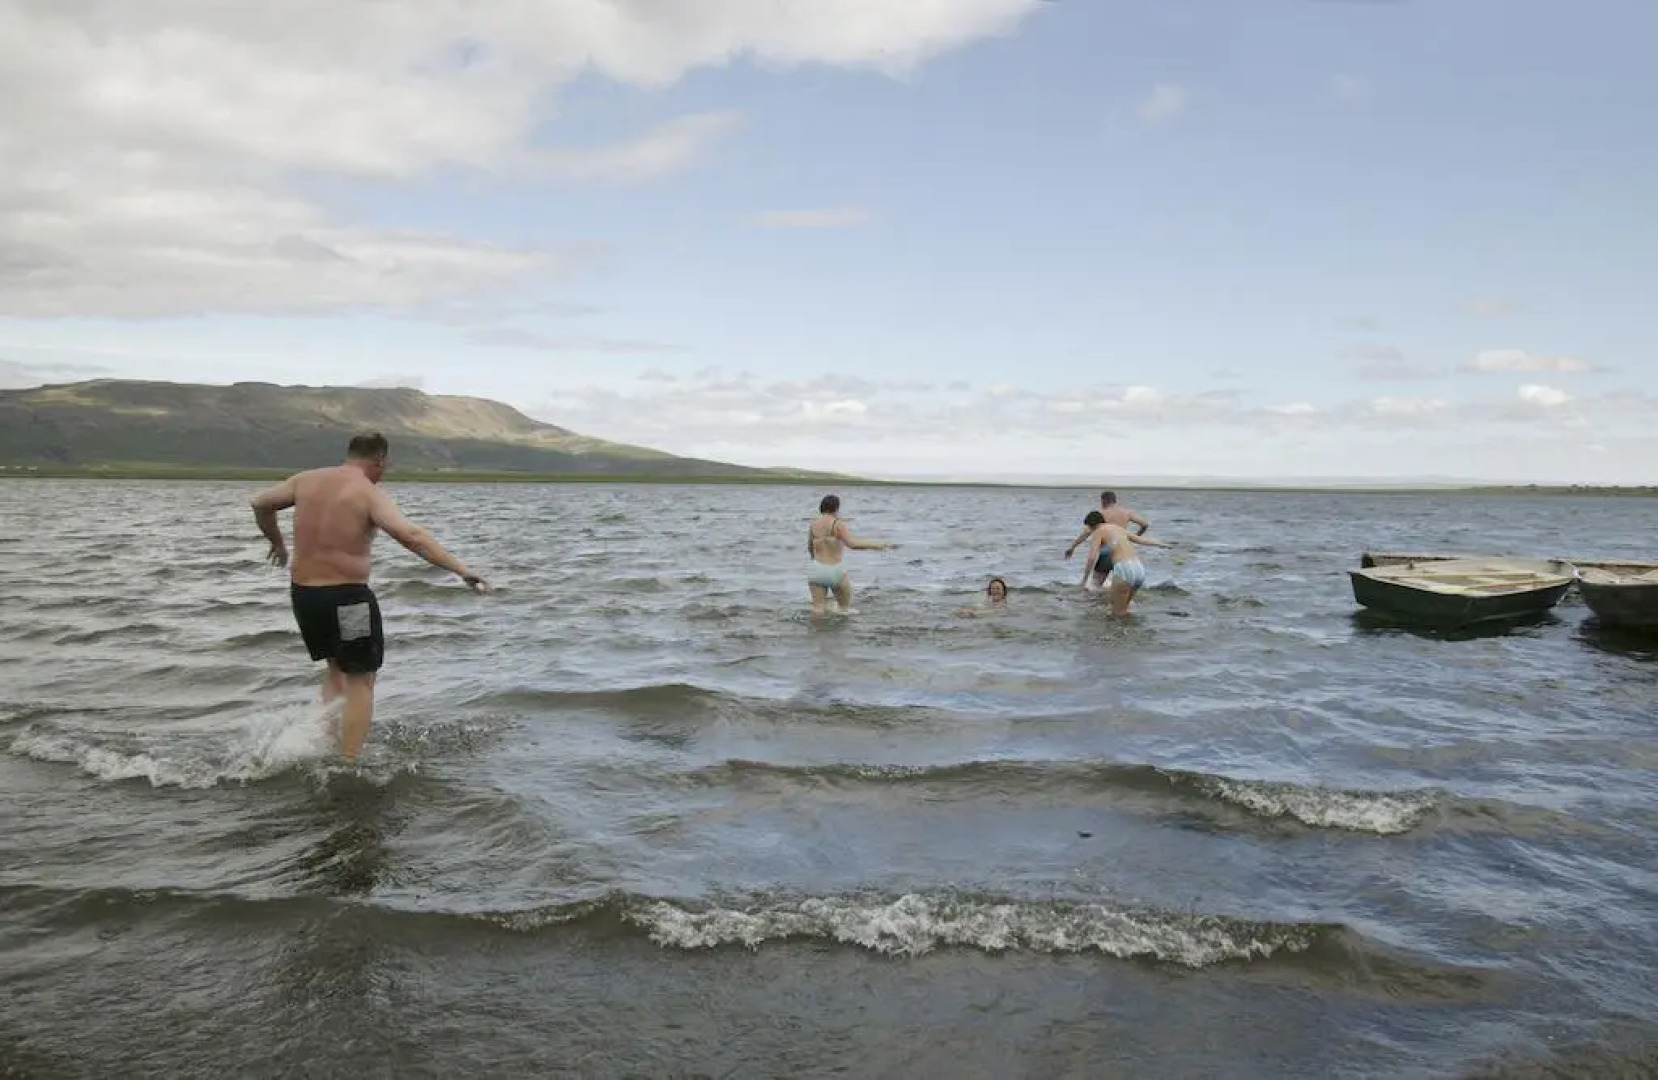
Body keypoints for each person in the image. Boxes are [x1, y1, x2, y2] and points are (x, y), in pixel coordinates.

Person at [248, 432, 488, 764]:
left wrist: (277, 542)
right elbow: (412, 536)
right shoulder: (367, 491)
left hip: (304, 595)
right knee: (361, 679)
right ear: (379, 460)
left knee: (335, 670)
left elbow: (259, 502)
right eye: (384, 466)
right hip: (347, 599)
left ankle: (321, 746)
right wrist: (461, 569)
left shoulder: (305, 481)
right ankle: (348, 763)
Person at [805, 494, 897, 614]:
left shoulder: (814, 525)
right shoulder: (837, 524)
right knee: (844, 610)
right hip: (835, 570)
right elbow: (852, 544)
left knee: (818, 609)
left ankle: (815, 631)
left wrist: (816, 563)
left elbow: (810, 547)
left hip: (816, 570)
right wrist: (879, 545)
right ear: (836, 508)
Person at [1079, 512, 1174, 616]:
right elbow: (1141, 540)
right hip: (1138, 569)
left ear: (1092, 525)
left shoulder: (1099, 531)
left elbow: (1092, 557)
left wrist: (1084, 580)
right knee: (1125, 610)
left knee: (1117, 615)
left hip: (1124, 568)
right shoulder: (1118, 529)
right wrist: (1162, 544)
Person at [1063, 490, 1150, 578]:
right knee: (1120, 584)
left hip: (1107, 553)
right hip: (1123, 553)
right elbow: (1144, 524)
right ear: (1114, 501)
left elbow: (1085, 533)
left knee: (1095, 584)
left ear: (1103, 501)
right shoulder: (1127, 513)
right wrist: (1134, 537)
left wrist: (1072, 547)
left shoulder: (1101, 514)